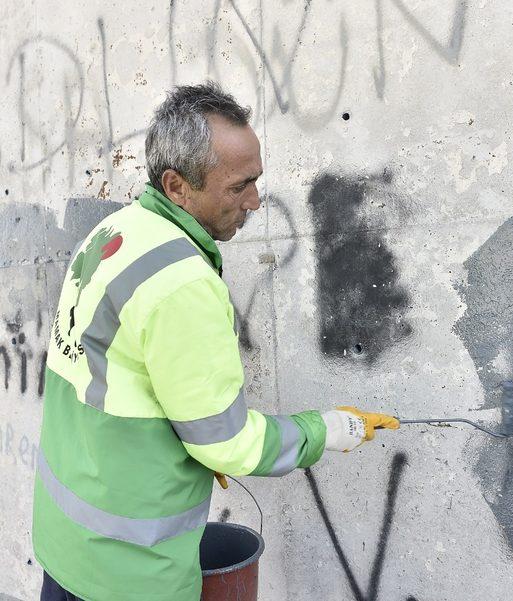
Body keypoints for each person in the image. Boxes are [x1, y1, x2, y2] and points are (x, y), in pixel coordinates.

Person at [32, 81, 400, 601]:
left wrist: (194, 437)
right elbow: (229, 445)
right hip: (130, 577)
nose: (255, 201)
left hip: (68, 547)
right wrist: (328, 429)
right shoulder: (182, 282)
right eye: (237, 187)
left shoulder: (116, 233)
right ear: (177, 185)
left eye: (256, 181)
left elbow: (116, 382)